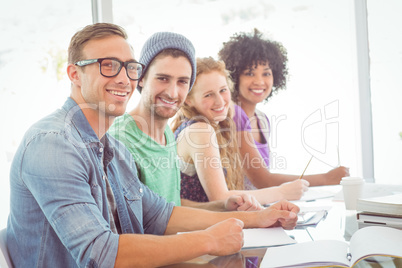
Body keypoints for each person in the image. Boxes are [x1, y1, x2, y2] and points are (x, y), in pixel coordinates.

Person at [7, 23, 299, 267]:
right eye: (108, 66)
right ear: (74, 74)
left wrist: (257, 217)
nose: (123, 78)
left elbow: (160, 213)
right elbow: (98, 252)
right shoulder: (53, 144)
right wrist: (209, 239)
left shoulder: (110, 148)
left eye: (129, 67)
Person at [109, 32, 261, 211]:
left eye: (182, 81)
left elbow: (171, 208)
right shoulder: (120, 139)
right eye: (163, 79)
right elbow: (139, 227)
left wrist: (222, 206)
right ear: (141, 77)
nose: (173, 93)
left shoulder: (166, 132)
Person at [218, 28, 350, 190]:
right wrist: (326, 178)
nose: (259, 81)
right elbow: (263, 181)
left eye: (266, 74)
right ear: (234, 76)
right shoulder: (233, 114)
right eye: (249, 73)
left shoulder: (262, 119)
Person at [171, 57, 308, 205]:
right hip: (198, 227)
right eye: (208, 95)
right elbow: (220, 197)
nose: (220, 101)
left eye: (223, 90)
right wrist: (281, 192)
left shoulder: (209, 125)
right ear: (188, 100)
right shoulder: (200, 130)